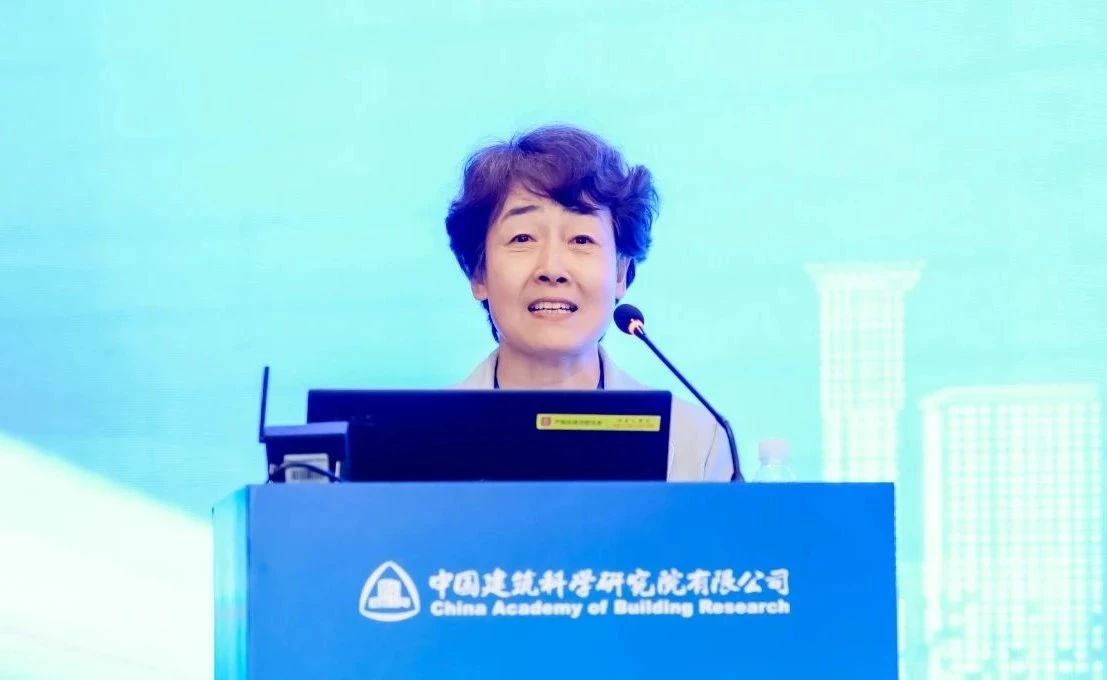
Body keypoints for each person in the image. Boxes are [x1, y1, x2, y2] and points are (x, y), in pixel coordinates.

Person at [444, 125, 738, 482]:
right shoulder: (419, 440)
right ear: (479, 274)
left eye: (581, 239)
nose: (552, 269)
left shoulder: (698, 442)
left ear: (620, 274)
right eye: (523, 238)